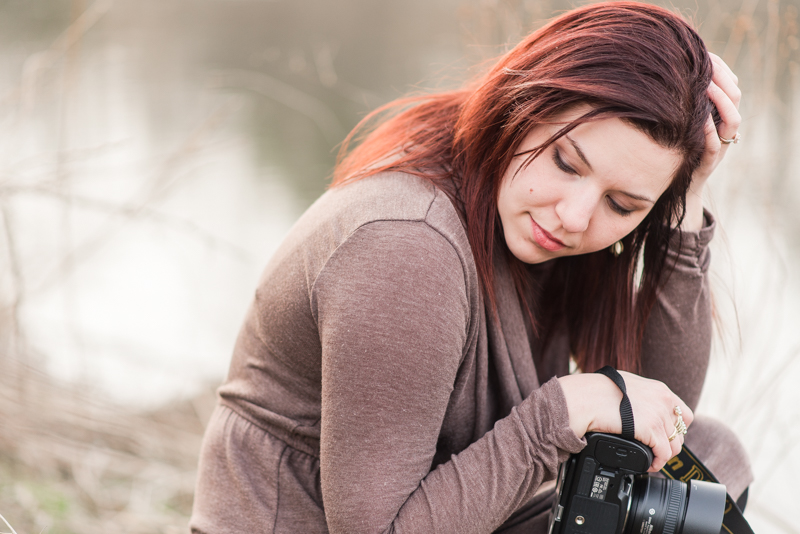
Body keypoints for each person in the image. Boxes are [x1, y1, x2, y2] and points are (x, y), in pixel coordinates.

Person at [190, 3, 752, 533]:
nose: (575, 217)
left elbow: (659, 421)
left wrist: (685, 207)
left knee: (705, 472)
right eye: (564, 162)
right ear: (523, 107)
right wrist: (559, 415)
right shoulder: (407, 246)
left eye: (623, 205)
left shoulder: (536, 223)